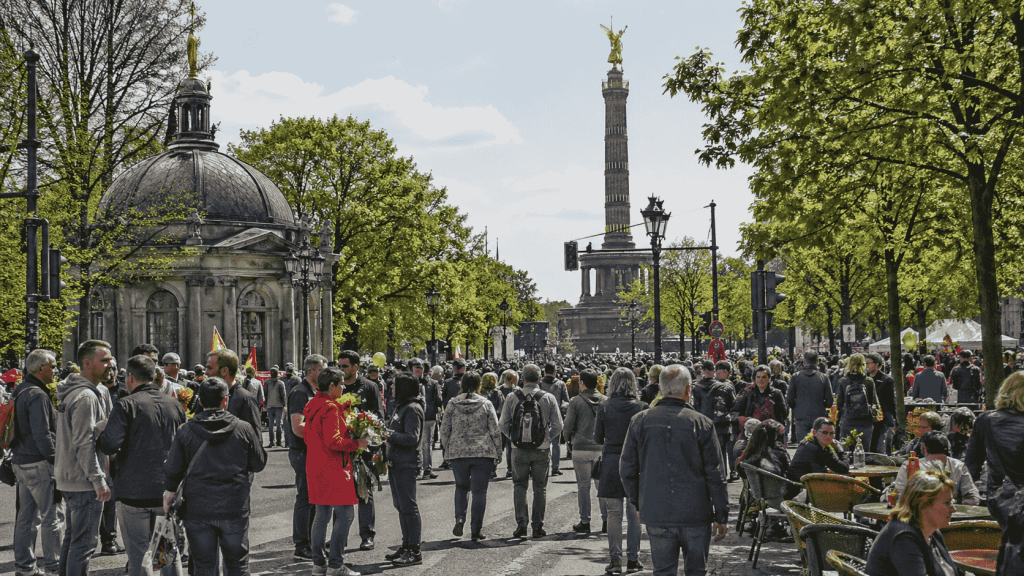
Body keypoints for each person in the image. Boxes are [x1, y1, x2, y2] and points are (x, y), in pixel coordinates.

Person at [620, 364, 728, 576]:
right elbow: (715, 473)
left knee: (663, 570)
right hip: (695, 511)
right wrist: (721, 514)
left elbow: (627, 468)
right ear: (689, 390)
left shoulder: (640, 421)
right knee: (697, 570)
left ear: (660, 389)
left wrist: (637, 500)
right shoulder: (702, 423)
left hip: (656, 507)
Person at [162, 378, 267, 576]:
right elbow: (258, 463)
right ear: (225, 401)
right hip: (234, 506)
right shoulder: (243, 428)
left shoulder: (186, 430)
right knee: (238, 565)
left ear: (200, 401)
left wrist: (169, 494)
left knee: (203, 567)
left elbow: (173, 470)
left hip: (198, 508)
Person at [97, 354, 187, 576]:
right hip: (166, 490)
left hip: (133, 492)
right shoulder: (175, 404)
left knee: (138, 556)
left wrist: (100, 431)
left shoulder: (126, 404)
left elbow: (109, 445)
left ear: (130, 377)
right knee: (167, 554)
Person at [55, 340, 114, 576]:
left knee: (73, 540)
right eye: (105, 360)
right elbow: (84, 443)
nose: (110, 364)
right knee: (84, 544)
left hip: (72, 477)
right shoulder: (86, 396)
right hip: (84, 481)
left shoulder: (82, 392)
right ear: (87, 363)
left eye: (110, 359)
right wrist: (99, 480)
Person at [304, 367, 367, 576]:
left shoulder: (312, 404)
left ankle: (319, 564)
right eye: (341, 384)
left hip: (315, 465)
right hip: (333, 467)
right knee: (346, 514)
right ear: (332, 386)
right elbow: (334, 441)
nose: (344, 387)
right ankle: (335, 565)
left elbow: (307, 437)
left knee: (321, 516)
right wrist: (357, 442)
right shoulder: (330, 408)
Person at [11, 349, 64, 576]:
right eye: (53, 365)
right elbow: (43, 435)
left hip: (20, 461)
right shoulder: (38, 395)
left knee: (26, 518)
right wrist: (56, 461)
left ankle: (25, 568)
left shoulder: (21, 389)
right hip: (39, 463)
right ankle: (54, 567)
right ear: (40, 369)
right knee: (53, 517)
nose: (56, 370)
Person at [498, 363, 564, 538]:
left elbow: (502, 424)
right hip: (541, 448)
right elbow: (559, 425)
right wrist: (546, 437)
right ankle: (537, 525)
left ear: (522, 378)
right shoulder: (548, 397)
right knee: (539, 488)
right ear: (540, 378)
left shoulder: (512, 397)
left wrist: (514, 437)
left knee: (519, 485)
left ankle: (521, 523)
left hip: (518, 448)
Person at [594, 367, 648, 575]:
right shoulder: (642, 407)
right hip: (635, 462)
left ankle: (615, 559)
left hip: (611, 460)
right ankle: (633, 559)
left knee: (614, 514)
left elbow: (598, 437)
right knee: (634, 513)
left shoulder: (605, 406)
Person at [439, 370, 502, 542]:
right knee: (479, 492)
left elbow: (444, 430)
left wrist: (447, 449)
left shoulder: (452, 404)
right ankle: (476, 529)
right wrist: (498, 451)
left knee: (461, 487)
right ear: (478, 385)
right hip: (483, 451)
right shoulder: (486, 404)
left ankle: (460, 518)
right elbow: (495, 430)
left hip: (458, 452)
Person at [865, 470, 958, 576]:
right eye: (947, 503)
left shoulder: (933, 533)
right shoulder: (903, 538)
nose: (954, 509)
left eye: (952, 502)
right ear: (923, 506)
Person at [337, 350, 383, 550]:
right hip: (340, 448)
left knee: (364, 492)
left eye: (344, 366)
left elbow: (379, 416)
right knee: (339, 493)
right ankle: (340, 536)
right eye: (339, 366)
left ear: (356, 367)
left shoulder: (370, 387)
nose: (341, 370)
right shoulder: (334, 387)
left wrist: (371, 440)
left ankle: (367, 535)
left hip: (363, 447)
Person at [286, 353, 325, 560]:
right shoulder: (300, 392)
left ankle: (310, 541)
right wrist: (323, 434)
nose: (325, 373)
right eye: (322, 369)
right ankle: (301, 544)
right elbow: (297, 427)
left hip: (312, 451)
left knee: (313, 498)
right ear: (311, 371)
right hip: (302, 452)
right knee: (306, 498)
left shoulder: (314, 391)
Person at [966, 370, 1024, 507]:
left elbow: (972, 463)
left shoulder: (985, 420)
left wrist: (969, 493)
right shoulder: (986, 421)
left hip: (999, 497)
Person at [385, 373, 425, 566]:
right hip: (396, 462)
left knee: (409, 507)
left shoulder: (413, 408)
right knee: (401, 506)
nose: (391, 388)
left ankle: (414, 550)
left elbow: (411, 438)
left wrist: (388, 434)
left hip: (406, 463)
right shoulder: (401, 406)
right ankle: (406, 544)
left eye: (394, 385)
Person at [563, 368, 608, 534]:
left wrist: (567, 440)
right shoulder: (605, 400)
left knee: (583, 487)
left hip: (581, 447)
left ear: (582, 383)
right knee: (602, 487)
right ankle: (606, 520)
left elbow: (568, 425)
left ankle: (585, 520)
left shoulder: (576, 401)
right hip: (601, 448)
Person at [887, 432, 979, 505]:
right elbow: (973, 497)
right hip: (952, 520)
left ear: (924, 448)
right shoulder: (959, 465)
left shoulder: (909, 465)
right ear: (948, 447)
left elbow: (900, 496)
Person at [692, 360, 737, 481]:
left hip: (702, 423)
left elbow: (694, 406)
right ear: (714, 371)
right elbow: (733, 405)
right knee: (722, 451)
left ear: (703, 371)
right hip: (721, 424)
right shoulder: (724, 386)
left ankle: (708, 475)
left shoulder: (696, 387)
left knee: (704, 451)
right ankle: (723, 475)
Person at [206, 349, 261, 436]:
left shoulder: (246, 399)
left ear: (224, 371)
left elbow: (254, 439)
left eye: (209, 368)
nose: (206, 372)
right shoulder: (207, 396)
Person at [787, 351, 835, 440]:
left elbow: (790, 400)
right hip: (819, 417)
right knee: (819, 446)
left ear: (804, 361)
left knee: (803, 446)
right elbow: (829, 402)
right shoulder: (824, 377)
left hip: (800, 416)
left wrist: (798, 405)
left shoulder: (795, 376)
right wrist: (820, 403)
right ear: (817, 362)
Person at [835, 353, 878, 451]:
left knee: (846, 452)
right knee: (864, 452)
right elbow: (874, 402)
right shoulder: (869, 381)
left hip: (847, 421)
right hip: (865, 423)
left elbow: (839, 404)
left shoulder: (843, 381)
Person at [788, 417, 849, 481]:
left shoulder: (811, 442)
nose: (828, 436)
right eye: (824, 432)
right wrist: (840, 450)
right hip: (798, 487)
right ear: (814, 432)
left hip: (808, 484)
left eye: (831, 433)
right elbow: (843, 469)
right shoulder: (816, 449)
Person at [539, 363, 570, 476]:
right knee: (556, 442)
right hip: (556, 413)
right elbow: (566, 401)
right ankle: (555, 467)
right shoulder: (561, 384)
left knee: (541, 440)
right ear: (555, 372)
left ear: (544, 371)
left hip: (541, 413)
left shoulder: (540, 383)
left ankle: (541, 466)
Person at [414, 359, 442, 480]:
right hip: (429, 416)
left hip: (416, 415)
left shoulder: (413, 381)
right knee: (427, 444)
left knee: (416, 443)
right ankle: (427, 469)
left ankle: (417, 469)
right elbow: (438, 400)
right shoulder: (434, 383)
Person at [866, 353, 898, 454]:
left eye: (869, 363)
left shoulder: (887, 380)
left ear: (877, 364)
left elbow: (891, 400)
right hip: (868, 418)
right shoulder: (864, 379)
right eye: (865, 363)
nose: (866, 366)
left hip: (883, 418)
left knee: (882, 448)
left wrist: (894, 417)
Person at [498, 369, 519, 476]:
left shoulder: (498, 390)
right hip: (513, 421)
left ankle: (493, 469)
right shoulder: (518, 390)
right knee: (509, 446)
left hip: (500, 421)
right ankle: (510, 469)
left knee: (499, 446)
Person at [265, 368, 287, 447]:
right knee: (279, 424)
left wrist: (265, 404)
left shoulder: (267, 382)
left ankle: (272, 442)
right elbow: (283, 395)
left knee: (270, 425)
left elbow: (265, 394)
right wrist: (284, 405)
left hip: (270, 405)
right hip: (279, 405)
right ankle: (278, 442)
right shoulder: (281, 383)